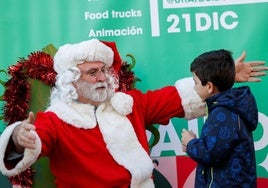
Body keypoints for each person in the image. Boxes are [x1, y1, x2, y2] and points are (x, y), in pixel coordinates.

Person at [0, 39, 266, 188]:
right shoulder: (57, 119)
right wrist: (19, 138)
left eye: (105, 70)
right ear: (71, 81)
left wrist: (224, 76)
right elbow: (33, 142)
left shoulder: (128, 104)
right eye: (93, 72)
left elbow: (178, 97)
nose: (103, 77)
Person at [181, 49, 258, 187]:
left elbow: (210, 155)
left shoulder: (222, 113)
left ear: (209, 86)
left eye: (196, 82)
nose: (194, 88)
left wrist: (190, 143)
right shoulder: (227, 107)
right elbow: (217, 148)